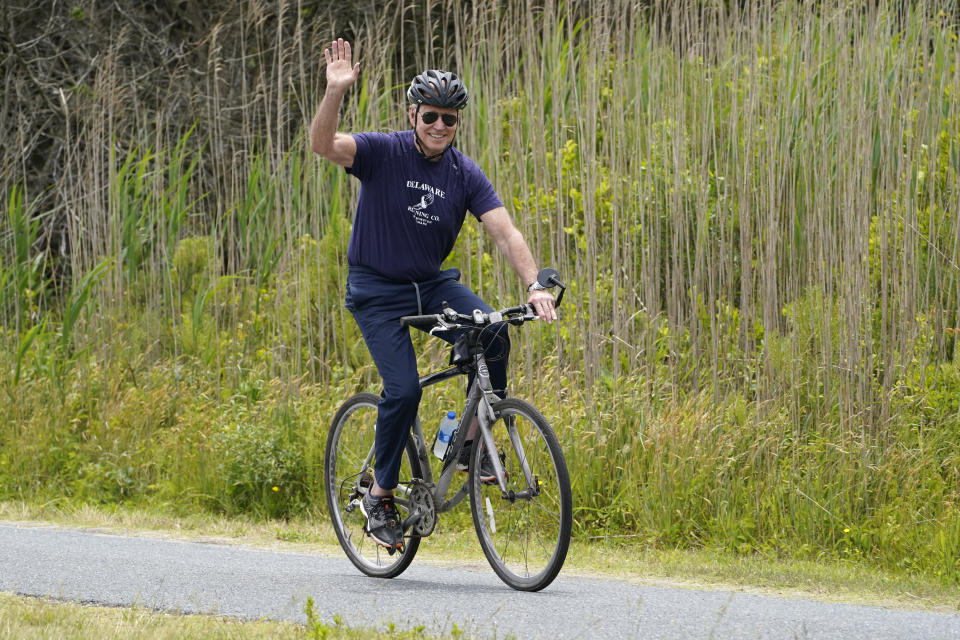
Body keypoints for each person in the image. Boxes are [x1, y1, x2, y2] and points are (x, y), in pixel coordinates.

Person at [310, 38, 556, 553]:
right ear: (413, 113)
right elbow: (323, 145)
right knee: (403, 391)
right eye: (430, 117)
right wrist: (335, 92)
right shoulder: (383, 152)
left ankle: (472, 446)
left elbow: (505, 232)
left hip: (432, 283)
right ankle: (379, 493)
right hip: (377, 290)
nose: (439, 126)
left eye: (449, 118)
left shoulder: (464, 173)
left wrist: (533, 284)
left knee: (493, 330)